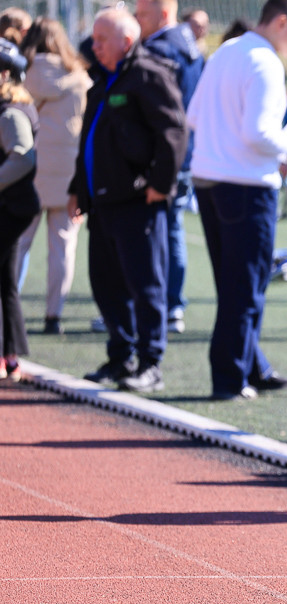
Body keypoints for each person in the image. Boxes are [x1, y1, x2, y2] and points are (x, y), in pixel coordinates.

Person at [186, 0, 287, 401]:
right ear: (281, 21)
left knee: (236, 285)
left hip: (210, 180)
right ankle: (229, 378)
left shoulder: (228, 49)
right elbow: (258, 134)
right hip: (244, 186)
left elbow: (192, 115)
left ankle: (251, 366)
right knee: (245, 288)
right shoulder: (264, 61)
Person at [69, 8, 187, 393]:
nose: (94, 46)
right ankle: (121, 357)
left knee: (145, 284)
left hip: (137, 199)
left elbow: (173, 131)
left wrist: (160, 182)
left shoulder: (148, 73)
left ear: (125, 41)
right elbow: (89, 138)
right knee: (106, 283)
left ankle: (150, 362)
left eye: (102, 40)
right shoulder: (103, 78)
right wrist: (77, 186)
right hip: (101, 201)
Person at [16, 18, 91, 336]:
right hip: (68, 170)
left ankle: (9, 309)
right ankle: (53, 316)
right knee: (63, 247)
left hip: (26, 168)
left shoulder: (20, 74)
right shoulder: (78, 75)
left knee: (18, 243)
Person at [136, 0, 204, 335]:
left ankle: (155, 306)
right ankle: (172, 305)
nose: (136, 21)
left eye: (142, 15)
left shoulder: (160, 48)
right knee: (173, 230)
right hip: (186, 152)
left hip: (163, 155)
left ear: (164, 14)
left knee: (154, 234)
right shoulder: (190, 44)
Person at [0, 37, 39, 382]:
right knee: (5, 281)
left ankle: (7, 356)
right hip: (12, 205)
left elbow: (23, 157)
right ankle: (9, 358)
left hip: (11, 207)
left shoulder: (10, 111)